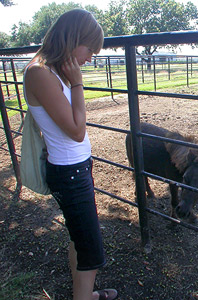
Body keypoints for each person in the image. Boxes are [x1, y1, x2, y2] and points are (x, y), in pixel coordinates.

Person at [23, 9, 117, 300]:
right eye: (90, 49)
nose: (90, 58)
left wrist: (72, 79)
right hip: (69, 172)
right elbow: (77, 130)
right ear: (73, 38)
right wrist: (78, 83)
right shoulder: (39, 73)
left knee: (80, 239)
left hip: (76, 168)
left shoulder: (52, 71)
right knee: (90, 246)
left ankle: (85, 296)